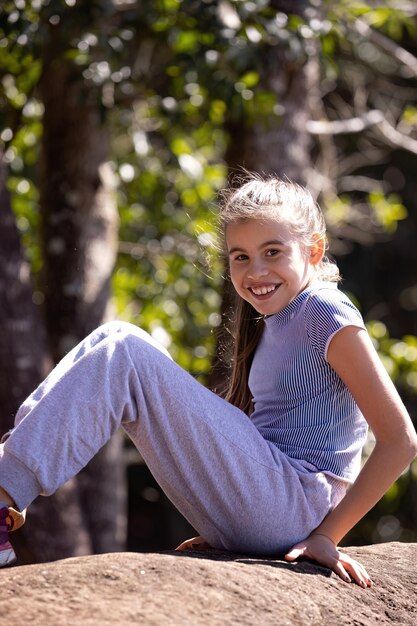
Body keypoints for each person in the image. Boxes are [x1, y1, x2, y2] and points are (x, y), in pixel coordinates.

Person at [1, 174, 416, 587]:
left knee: (124, 347)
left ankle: (3, 492)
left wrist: (326, 535)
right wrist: (224, 511)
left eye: (273, 252)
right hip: (268, 504)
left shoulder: (323, 310)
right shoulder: (276, 320)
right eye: (241, 257)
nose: (256, 271)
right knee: (114, 340)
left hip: (293, 505)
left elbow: (401, 440)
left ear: (314, 250)